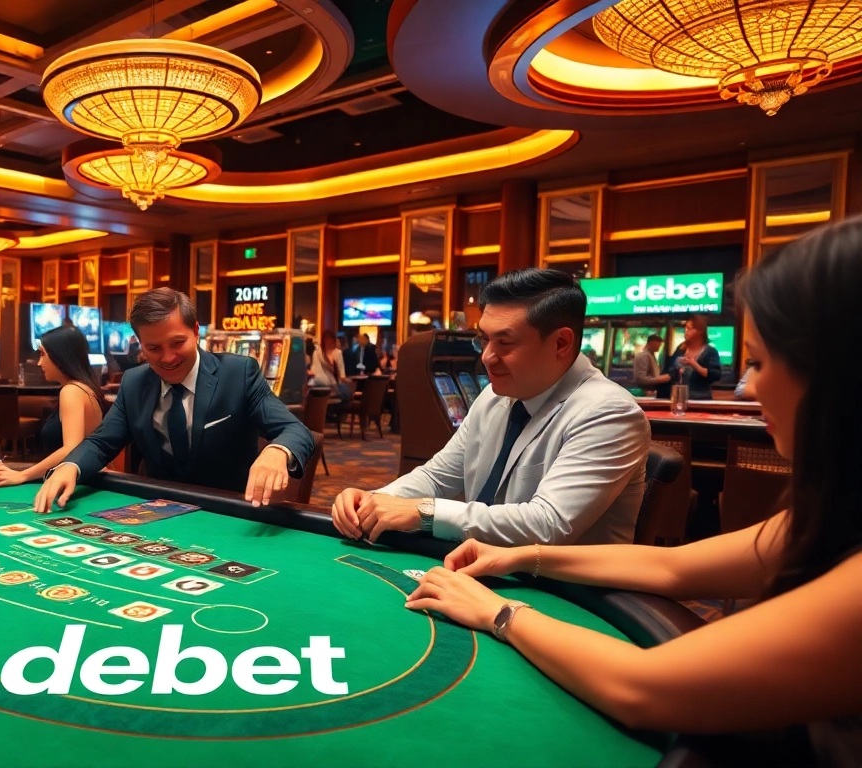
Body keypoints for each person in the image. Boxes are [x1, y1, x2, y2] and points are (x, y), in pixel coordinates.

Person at [401, 220, 862, 765]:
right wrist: (520, 556)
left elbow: (644, 687)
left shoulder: (605, 409)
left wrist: (498, 613)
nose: (747, 386)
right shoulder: (831, 513)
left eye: (759, 362)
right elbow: (675, 569)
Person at [331, 268, 649, 546]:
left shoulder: (609, 413)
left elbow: (548, 525)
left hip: (569, 598)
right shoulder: (495, 395)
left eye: (505, 343)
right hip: (488, 571)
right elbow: (437, 476)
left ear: (561, 343)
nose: (486, 357)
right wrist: (376, 499)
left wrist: (423, 512)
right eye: (484, 339)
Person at [34, 288, 314, 511]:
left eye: (178, 343)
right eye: (153, 348)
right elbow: (102, 442)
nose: (168, 358)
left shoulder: (238, 373)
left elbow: (296, 431)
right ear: (140, 344)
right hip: (159, 511)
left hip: (229, 513)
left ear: (195, 331)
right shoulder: (134, 383)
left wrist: (278, 450)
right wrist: (70, 465)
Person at [0, 326, 105, 488]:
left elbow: (71, 448)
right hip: (85, 480)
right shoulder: (85, 388)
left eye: (42, 354)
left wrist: (22, 475)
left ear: (60, 356)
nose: (39, 363)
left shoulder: (72, 391)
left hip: (80, 484)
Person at [658, 315, 722, 400]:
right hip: (678, 397)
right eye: (685, 329)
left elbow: (715, 375)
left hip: (700, 399)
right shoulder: (681, 348)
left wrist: (694, 364)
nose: (686, 331)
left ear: (700, 330)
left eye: (689, 329)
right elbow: (670, 371)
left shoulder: (710, 352)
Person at [310, 330, 352, 403]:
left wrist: (344, 380)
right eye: (327, 340)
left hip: (335, 385)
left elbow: (342, 373)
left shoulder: (338, 353)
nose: (329, 342)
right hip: (322, 384)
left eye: (331, 340)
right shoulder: (317, 353)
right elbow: (316, 371)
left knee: (345, 395)